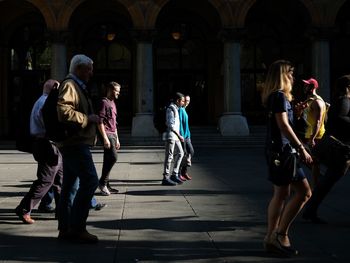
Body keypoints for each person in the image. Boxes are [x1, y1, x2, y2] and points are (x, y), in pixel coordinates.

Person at [261, 60, 313, 256]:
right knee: (304, 192)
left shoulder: (277, 97)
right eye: (290, 73)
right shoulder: (280, 97)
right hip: (283, 152)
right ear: (282, 75)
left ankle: (271, 237)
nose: (293, 77)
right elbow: (283, 126)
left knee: (282, 194)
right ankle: (280, 235)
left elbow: (284, 124)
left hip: (279, 151)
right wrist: (301, 148)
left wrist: (296, 114)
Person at [56, 54, 100, 243]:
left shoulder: (75, 86)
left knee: (70, 186)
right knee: (90, 181)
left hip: (73, 142)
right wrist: (87, 119)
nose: (91, 72)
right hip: (75, 143)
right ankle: (77, 227)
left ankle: (66, 229)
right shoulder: (70, 85)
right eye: (89, 68)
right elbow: (63, 111)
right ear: (79, 69)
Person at [303, 74, 350, 224]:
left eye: (308, 85)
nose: (305, 87)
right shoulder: (344, 101)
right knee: (327, 179)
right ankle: (310, 209)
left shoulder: (335, 100)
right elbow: (336, 120)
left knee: (327, 180)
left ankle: (310, 209)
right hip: (338, 147)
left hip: (333, 145)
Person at [15, 79, 63, 224]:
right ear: (54, 88)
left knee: (60, 180)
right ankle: (24, 209)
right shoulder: (46, 103)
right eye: (59, 88)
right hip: (47, 145)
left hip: (47, 144)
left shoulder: (41, 101)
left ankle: (63, 212)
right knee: (46, 180)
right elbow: (49, 125)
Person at [300, 78, 327, 186]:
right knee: (305, 157)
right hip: (308, 133)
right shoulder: (310, 100)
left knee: (314, 161)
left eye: (307, 85)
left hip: (316, 136)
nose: (304, 87)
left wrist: (312, 138)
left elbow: (319, 121)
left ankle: (316, 185)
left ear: (312, 87)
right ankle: (319, 178)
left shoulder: (317, 102)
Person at [97, 82, 121, 195]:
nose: (118, 93)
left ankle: (106, 184)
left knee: (108, 159)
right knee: (113, 157)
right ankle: (102, 183)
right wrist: (105, 138)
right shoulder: (104, 103)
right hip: (107, 133)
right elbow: (100, 122)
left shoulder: (113, 103)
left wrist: (117, 139)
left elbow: (114, 123)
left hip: (113, 134)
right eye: (117, 91)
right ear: (110, 90)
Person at [162, 92, 185, 186]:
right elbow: (170, 125)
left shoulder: (176, 108)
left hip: (176, 136)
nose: (183, 103)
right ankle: (165, 177)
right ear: (177, 100)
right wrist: (179, 135)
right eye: (182, 101)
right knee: (169, 156)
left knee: (181, 153)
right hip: (171, 136)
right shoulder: (171, 109)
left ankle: (174, 174)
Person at [179, 95, 194, 181]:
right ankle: (181, 173)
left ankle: (183, 172)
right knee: (186, 153)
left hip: (188, 136)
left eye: (188, 101)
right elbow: (181, 124)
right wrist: (182, 136)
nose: (187, 102)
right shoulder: (181, 109)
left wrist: (188, 135)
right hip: (183, 136)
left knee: (190, 152)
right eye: (186, 100)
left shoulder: (184, 110)